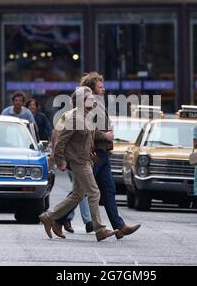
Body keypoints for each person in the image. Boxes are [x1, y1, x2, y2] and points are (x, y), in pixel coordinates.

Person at [56, 72, 141, 239]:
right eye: (100, 86)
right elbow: (88, 130)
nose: (104, 89)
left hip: (103, 152)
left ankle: (119, 226)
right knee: (81, 191)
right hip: (94, 154)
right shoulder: (89, 105)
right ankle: (58, 218)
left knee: (108, 190)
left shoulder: (98, 104)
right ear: (92, 89)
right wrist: (105, 136)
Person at [39, 86, 117, 242]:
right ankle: (100, 230)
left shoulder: (87, 116)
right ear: (82, 101)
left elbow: (91, 137)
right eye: (90, 98)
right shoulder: (74, 118)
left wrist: (104, 138)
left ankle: (48, 216)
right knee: (94, 193)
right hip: (78, 162)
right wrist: (60, 161)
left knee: (78, 195)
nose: (94, 99)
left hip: (86, 160)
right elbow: (61, 141)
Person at [50, 111, 93, 234]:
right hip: (74, 158)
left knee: (79, 190)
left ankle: (63, 217)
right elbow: (56, 132)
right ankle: (88, 221)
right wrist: (57, 155)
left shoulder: (89, 116)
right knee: (83, 189)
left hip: (85, 158)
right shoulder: (70, 115)